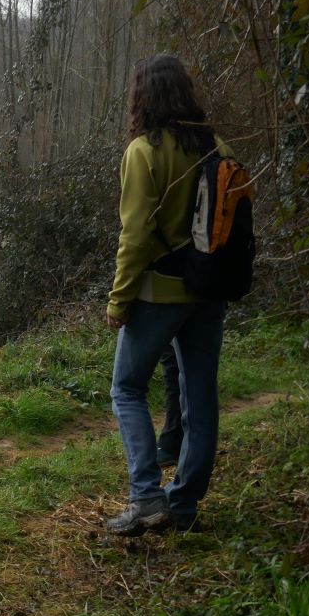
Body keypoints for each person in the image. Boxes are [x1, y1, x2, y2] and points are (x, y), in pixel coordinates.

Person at [104, 55, 228, 536]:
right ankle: (184, 504)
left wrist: (119, 301)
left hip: (158, 294)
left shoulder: (144, 152)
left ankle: (146, 498)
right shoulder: (217, 146)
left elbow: (134, 236)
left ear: (142, 98)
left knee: (127, 388)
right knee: (200, 396)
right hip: (207, 291)